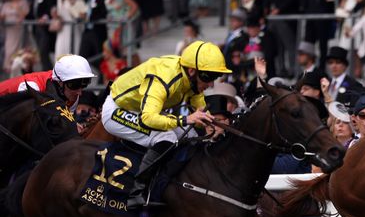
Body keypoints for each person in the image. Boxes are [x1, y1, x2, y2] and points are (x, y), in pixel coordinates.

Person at [101, 41, 231, 208]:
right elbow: (148, 119)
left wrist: (207, 122)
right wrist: (185, 120)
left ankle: (173, 184)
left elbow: (199, 107)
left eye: (215, 77)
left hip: (142, 110)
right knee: (167, 137)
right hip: (117, 110)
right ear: (192, 71)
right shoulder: (165, 77)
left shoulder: (191, 78)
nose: (211, 84)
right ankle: (137, 192)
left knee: (190, 135)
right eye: (209, 77)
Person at [0, 54, 95, 110]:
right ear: (60, 82)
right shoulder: (33, 86)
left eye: (84, 84)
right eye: (74, 85)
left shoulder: (72, 95)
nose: (80, 92)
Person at [26, 0, 56, 70]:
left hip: (45, 28)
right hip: (36, 28)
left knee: (44, 51)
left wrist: (45, 17)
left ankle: (48, 73)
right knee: (41, 52)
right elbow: (32, 12)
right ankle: (47, 73)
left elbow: (50, 8)